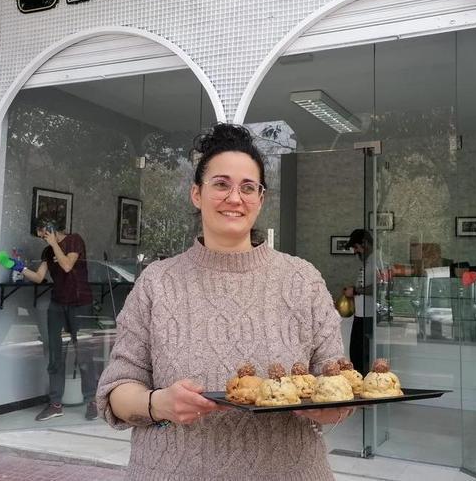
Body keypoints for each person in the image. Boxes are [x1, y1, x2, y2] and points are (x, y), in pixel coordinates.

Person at [96, 123, 350, 480]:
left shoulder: (302, 280)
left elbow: (339, 384)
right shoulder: (157, 282)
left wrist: (330, 409)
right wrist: (159, 404)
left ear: (260, 199)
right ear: (196, 194)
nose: (235, 198)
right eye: (221, 184)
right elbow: (116, 393)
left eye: (248, 187)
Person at [16, 214, 97, 421]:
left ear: (51, 227)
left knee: (83, 353)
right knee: (55, 353)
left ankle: (93, 401)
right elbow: (39, 277)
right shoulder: (47, 250)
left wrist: (54, 244)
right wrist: (19, 268)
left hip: (80, 303)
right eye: (39, 234)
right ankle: (55, 404)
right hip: (57, 304)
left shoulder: (74, 240)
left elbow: (67, 265)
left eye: (42, 232)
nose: (41, 237)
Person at [342, 229, 381, 375]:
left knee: (362, 357)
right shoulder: (368, 261)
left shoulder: (376, 260)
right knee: (355, 355)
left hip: (368, 316)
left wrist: (356, 291)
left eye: (356, 247)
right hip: (360, 314)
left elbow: (379, 287)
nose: (355, 251)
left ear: (364, 243)